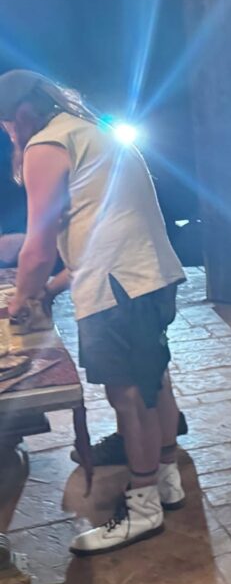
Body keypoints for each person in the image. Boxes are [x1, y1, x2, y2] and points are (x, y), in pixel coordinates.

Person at [0, 70, 187, 554]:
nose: (9, 135)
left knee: (129, 397)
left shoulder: (45, 146)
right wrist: (51, 287)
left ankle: (142, 509)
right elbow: (96, 230)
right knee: (154, 380)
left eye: (6, 124)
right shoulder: (89, 133)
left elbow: (39, 248)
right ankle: (166, 480)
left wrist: (18, 302)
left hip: (116, 290)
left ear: (22, 114)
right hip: (149, 278)